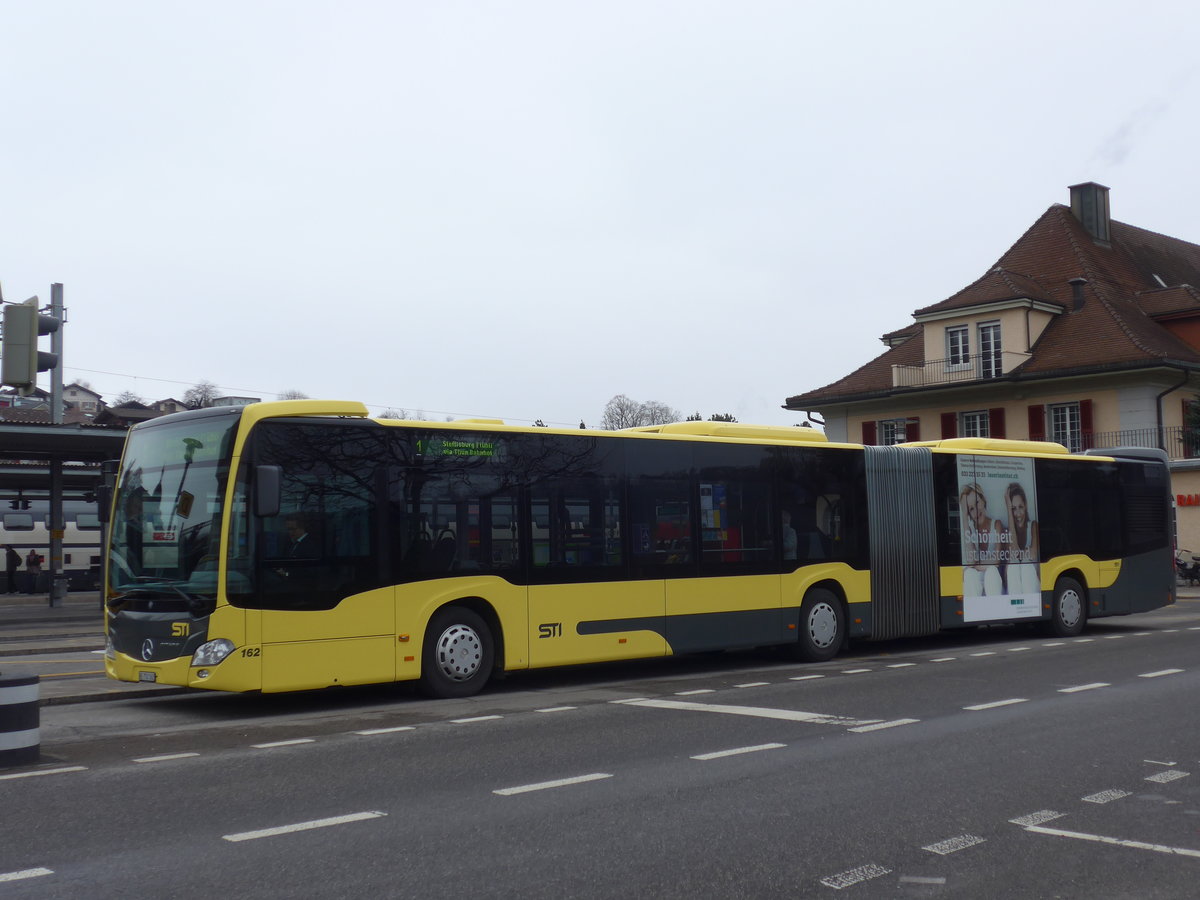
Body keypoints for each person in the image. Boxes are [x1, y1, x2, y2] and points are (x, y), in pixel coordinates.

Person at [959, 482, 1004, 596]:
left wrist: (975, 565)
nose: (976, 511)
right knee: (969, 574)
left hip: (993, 579)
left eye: (977, 502)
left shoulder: (996, 524)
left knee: (992, 571)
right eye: (971, 509)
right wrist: (964, 518)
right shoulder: (969, 530)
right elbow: (971, 560)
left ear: (983, 500)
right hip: (977, 579)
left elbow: (996, 560)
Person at [1003, 482, 1040, 594]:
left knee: (1026, 564)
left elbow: (1032, 554)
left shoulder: (1033, 526)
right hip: (1014, 587)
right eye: (1013, 509)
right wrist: (1009, 512)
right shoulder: (1007, 531)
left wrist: (1019, 554)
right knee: (1013, 565)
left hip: (1032, 586)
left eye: (1020, 507)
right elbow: (1014, 552)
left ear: (1026, 505)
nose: (1018, 513)